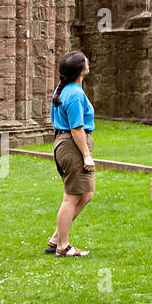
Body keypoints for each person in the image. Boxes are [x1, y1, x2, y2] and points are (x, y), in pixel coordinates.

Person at [46, 51, 95, 257]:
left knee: (86, 194)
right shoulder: (74, 93)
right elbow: (76, 128)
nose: (88, 61)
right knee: (71, 197)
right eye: (85, 61)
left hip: (65, 142)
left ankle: (57, 238)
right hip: (72, 144)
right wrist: (86, 155)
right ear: (80, 70)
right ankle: (63, 246)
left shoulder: (63, 88)